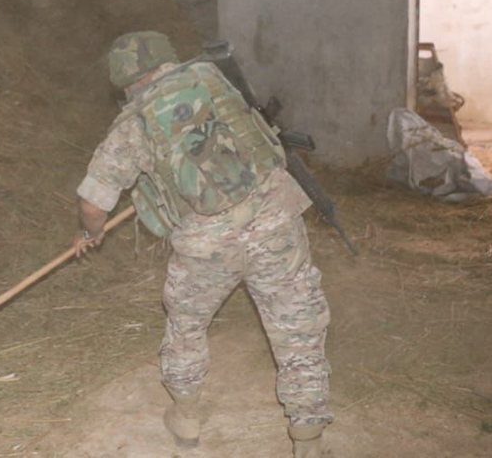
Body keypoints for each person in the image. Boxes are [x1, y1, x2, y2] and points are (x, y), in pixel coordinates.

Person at [72, 32, 333, 457]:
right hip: (273, 222)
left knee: (187, 327)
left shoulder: (132, 124)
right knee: (297, 328)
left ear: (123, 80)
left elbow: (92, 203)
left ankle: (186, 418)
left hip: (206, 244)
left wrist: (90, 232)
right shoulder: (212, 77)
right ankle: (309, 441)